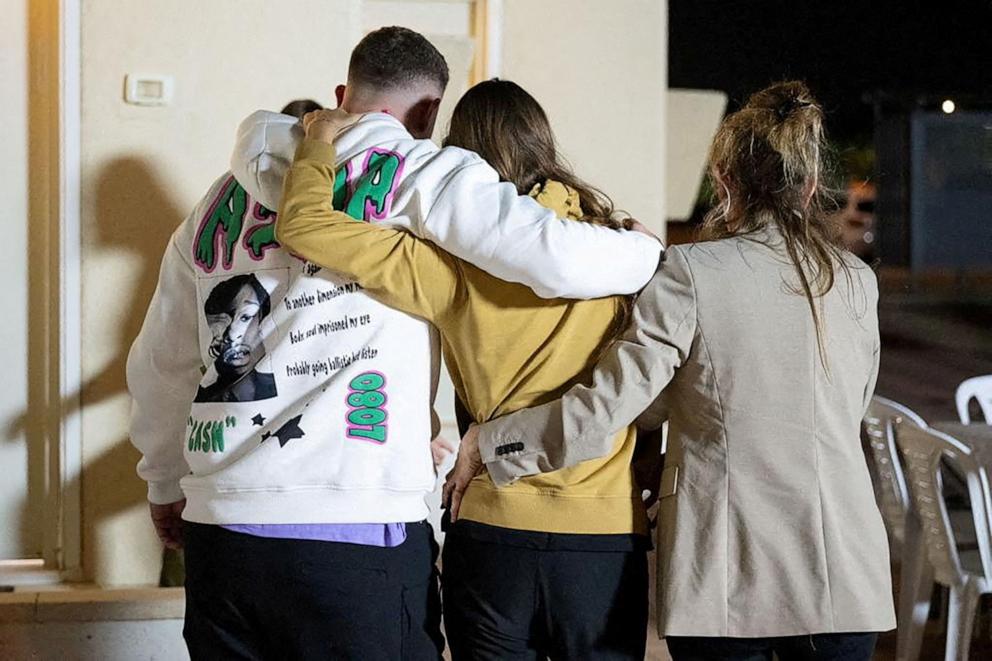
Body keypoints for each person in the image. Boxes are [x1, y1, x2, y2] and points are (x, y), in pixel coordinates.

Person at [128, 27, 660, 661]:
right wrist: (645, 248)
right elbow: (555, 257)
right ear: (431, 113)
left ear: (341, 95)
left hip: (224, 523)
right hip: (359, 519)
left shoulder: (218, 200)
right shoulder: (425, 172)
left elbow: (163, 360)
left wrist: (163, 482)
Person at [451, 81, 896, 661]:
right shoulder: (857, 280)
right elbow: (837, 409)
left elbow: (610, 408)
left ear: (724, 181)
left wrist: (492, 442)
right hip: (844, 574)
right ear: (811, 186)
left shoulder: (691, 272)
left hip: (729, 575)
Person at [275, 79, 661, 660]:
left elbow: (305, 227)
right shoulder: (620, 251)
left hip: (490, 524)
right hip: (604, 533)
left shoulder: (448, 265)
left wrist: (318, 143)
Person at [194, 273, 277, 403]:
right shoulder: (205, 397)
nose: (232, 335)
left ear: (263, 318)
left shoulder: (286, 385)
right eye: (219, 326)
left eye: (245, 318)